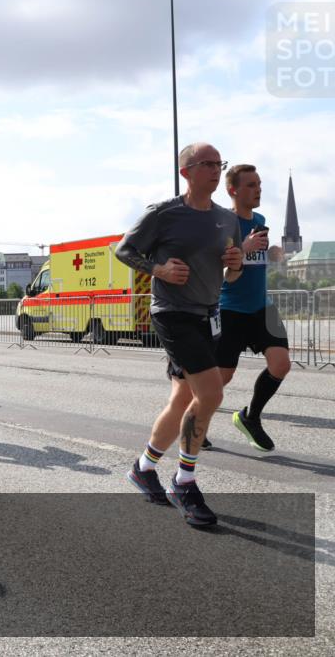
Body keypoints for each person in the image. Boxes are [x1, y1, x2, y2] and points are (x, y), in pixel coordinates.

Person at [116, 142, 243, 528]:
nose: (216, 170)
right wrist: (159, 270)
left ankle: (143, 468)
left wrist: (236, 264)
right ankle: (183, 481)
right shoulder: (164, 213)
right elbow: (123, 250)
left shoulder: (227, 219)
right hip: (173, 314)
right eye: (207, 163)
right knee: (211, 394)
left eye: (219, 163)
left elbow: (230, 274)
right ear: (185, 171)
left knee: (183, 398)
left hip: (209, 316)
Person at [216, 164, 291, 452]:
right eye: (251, 185)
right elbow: (217, 268)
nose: (258, 189)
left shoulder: (260, 220)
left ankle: (250, 417)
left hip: (262, 307)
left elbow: (257, 261)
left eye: (259, 184)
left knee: (281, 364)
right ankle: (195, 419)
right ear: (233, 190)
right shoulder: (224, 223)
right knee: (222, 377)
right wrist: (244, 249)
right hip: (230, 309)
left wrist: (272, 254)